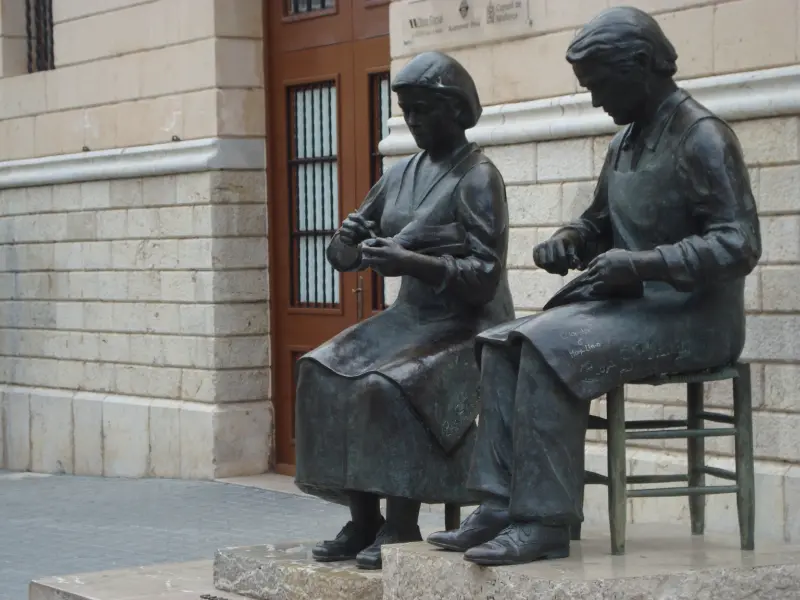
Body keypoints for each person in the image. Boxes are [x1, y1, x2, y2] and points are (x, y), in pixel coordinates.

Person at [426, 6, 762, 566]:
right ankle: (499, 504)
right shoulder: (626, 142)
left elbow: (739, 243)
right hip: (632, 309)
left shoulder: (703, 138)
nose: (594, 100)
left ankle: (544, 522)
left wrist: (642, 265)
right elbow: (599, 221)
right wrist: (571, 238)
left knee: (547, 348)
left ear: (641, 65)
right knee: (503, 343)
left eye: (600, 85)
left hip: (696, 319)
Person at [293, 51, 515, 570]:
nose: (413, 122)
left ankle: (401, 521)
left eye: (423, 110)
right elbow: (344, 258)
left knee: (383, 386)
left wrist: (412, 261)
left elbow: (485, 276)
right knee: (319, 370)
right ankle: (364, 516)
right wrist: (346, 240)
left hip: (468, 323)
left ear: (457, 110)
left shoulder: (479, 177)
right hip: (409, 321)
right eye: (406, 111)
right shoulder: (400, 174)